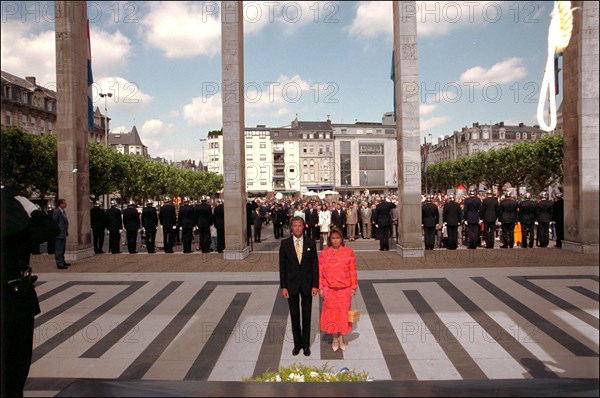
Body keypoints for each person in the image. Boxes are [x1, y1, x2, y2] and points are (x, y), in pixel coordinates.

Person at [1, 186, 57, 397]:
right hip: (15, 298)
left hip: (15, 297)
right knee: (15, 366)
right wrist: (31, 209)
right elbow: (50, 229)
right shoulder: (18, 225)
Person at [279, 216, 319, 357]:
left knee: (307, 315)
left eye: (299, 225)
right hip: (291, 285)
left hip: (307, 284)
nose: (297, 228)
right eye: (294, 225)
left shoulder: (310, 242)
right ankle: (297, 345)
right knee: (295, 316)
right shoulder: (285, 244)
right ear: (291, 227)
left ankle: (306, 345)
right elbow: (282, 268)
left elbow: (315, 265)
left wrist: (315, 284)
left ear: (304, 227)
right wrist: (283, 286)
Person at [318, 227, 358, 352]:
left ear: (341, 239)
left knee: (343, 313)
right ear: (330, 239)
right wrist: (321, 287)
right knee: (331, 314)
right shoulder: (324, 253)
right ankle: (335, 337)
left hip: (344, 289)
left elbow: (353, 270)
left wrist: (353, 286)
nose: (335, 240)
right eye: (333, 238)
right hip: (329, 289)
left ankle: (342, 337)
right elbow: (320, 272)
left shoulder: (348, 252)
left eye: (338, 238)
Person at [52, 198, 70, 268]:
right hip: (59, 233)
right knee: (58, 249)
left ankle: (62, 261)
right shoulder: (57, 211)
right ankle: (59, 263)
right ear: (61, 204)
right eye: (64, 203)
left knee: (62, 248)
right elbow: (54, 221)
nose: (66, 204)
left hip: (63, 233)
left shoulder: (63, 211)